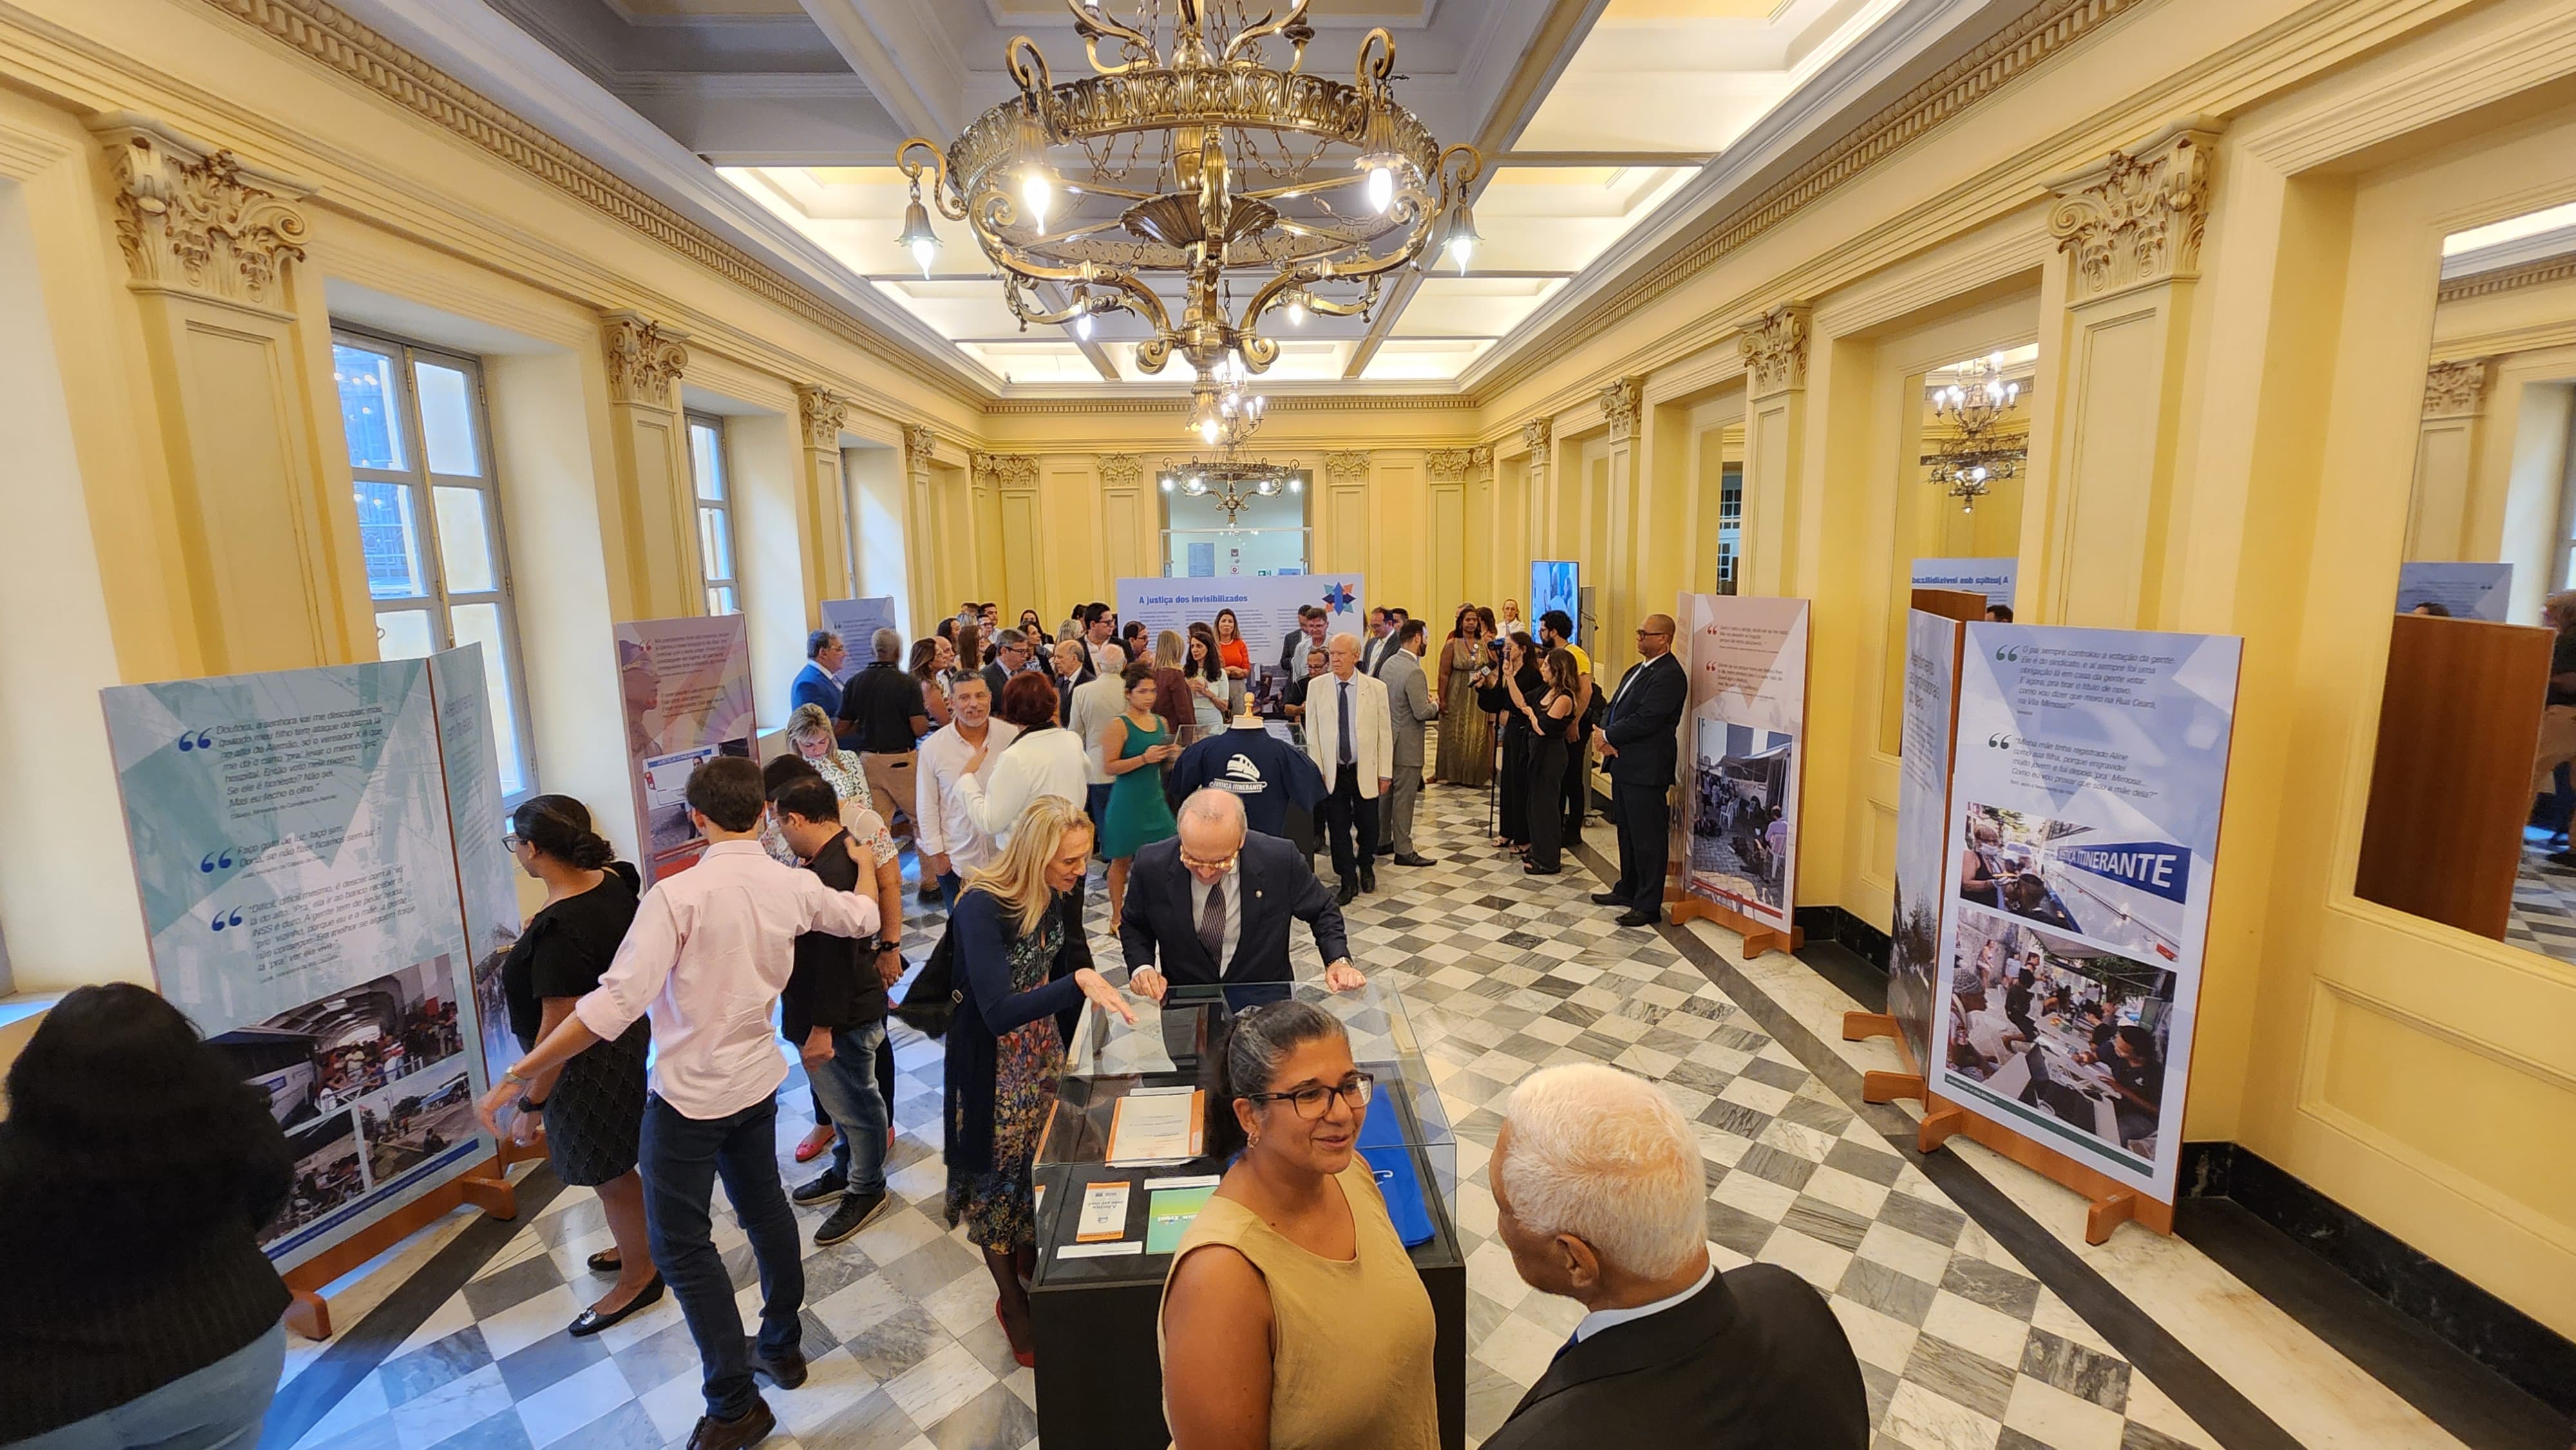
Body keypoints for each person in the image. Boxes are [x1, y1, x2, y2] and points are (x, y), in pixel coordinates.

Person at [478, 757, 878, 1450]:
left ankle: (733, 1403)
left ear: (696, 817)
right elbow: (862, 916)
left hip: (690, 1099)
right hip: (756, 1082)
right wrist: (866, 863)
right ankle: (781, 1345)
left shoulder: (677, 895)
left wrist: (519, 1074)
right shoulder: (792, 883)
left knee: (680, 1245)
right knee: (764, 1210)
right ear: (762, 813)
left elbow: (612, 1006)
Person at [1483, 1064, 1868, 1450]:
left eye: (1503, 1207)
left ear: (1575, 1261)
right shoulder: (1790, 1298)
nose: (1500, 1224)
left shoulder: (1541, 1440)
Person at [1, 984, 294, 1449]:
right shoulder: (238, 1123)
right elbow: (268, 1196)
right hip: (232, 1347)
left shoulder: (14, 1163)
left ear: (37, 1073)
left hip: (57, 1402)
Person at [1160, 1000, 1437, 1450]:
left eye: (1348, 1085)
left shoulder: (1353, 1174)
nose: (1342, 1113)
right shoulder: (1220, 1278)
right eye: (1308, 1095)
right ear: (1249, 1116)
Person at [947, 798, 1137, 1366]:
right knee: (997, 1187)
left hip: (1042, 1051)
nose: (1081, 871)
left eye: (1084, 858)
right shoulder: (981, 906)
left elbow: (1067, 960)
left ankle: (1032, 1261)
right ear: (1035, 856)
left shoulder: (1059, 889)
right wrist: (1076, 984)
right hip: (993, 1066)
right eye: (1070, 861)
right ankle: (1013, 1305)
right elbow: (998, 1011)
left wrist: (1090, 1032)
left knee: (1042, 1164)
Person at [495, 795, 659, 1335]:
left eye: (516, 843)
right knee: (618, 1161)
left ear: (534, 850)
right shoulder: (613, 881)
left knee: (608, 1173)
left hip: (582, 1065)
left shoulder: (560, 929)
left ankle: (640, 1276)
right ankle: (638, 1244)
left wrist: (531, 1101)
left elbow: (558, 1027)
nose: (517, 852)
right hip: (624, 1038)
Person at [768, 777, 904, 1247]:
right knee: (843, 1106)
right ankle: (846, 1169)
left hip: (840, 1015)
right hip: (829, 1010)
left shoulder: (833, 869)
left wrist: (821, 1028)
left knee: (859, 1107)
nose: (780, 833)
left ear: (796, 819)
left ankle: (867, 1189)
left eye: (780, 823)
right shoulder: (837, 855)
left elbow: (835, 961)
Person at [1121, 789, 1365, 1002]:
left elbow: (1322, 910)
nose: (1206, 872)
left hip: (1266, 1003)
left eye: (1220, 862)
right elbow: (1134, 924)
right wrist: (1142, 967)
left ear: (1241, 840)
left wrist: (1338, 960)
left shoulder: (1279, 859)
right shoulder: (1151, 864)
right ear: (1181, 838)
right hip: (1187, 1002)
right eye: (1193, 859)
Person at [1594, 614, 1689, 927]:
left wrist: (1609, 736)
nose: (1639, 638)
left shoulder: (1670, 675)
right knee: (1627, 830)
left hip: (1647, 767)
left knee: (1648, 837)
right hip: (1623, 762)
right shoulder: (1638, 670)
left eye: (1644, 633)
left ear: (1663, 639)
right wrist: (1604, 735)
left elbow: (1648, 718)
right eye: (1638, 632)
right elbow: (1613, 706)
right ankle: (1629, 888)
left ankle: (1648, 904)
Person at [1302, 634, 1394, 904]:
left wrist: (1385, 772)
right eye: (1332, 654)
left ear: (1356, 656)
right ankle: (1347, 879)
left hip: (1364, 768)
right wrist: (1317, 768)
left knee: (1369, 825)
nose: (1335, 659)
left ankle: (1366, 865)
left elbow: (1385, 733)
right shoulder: (1317, 687)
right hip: (1333, 771)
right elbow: (1312, 733)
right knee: (1337, 827)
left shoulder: (1376, 688)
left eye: (1341, 654)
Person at [916, 671, 1018, 910]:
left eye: (980, 695)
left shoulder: (1010, 737)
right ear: (951, 702)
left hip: (1006, 858)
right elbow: (927, 803)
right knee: (963, 927)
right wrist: (938, 857)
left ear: (990, 698)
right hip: (958, 861)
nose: (974, 704)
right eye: (964, 698)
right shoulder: (934, 748)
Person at [955, 671, 1088, 851]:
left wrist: (966, 779)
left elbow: (990, 822)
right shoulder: (1072, 740)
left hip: (1032, 854)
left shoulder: (1016, 757)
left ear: (1009, 708)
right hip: (1069, 845)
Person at [1101, 659, 1183, 923]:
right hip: (1127, 802)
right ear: (1129, 693)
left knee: (1169, 855)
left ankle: (1160, 910)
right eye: (1143, 691)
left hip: (1154, 799)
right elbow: (1110, 766)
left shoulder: (1161, 722)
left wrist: (1172, 756)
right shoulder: (1119, 725)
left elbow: (1165, 765)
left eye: (1153, 691)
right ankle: (1117, 915)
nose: (1149, 697)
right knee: (1121, 861)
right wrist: (1144, 759)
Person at [1169, 702, 1327, 837]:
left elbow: (1179, 789)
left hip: (1218, 841)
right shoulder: (1284, 752)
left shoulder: (1204, 749)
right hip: (1265, 845)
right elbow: (1313, 790)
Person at [833, 626, 927, 840]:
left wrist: (867, 721)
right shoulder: (907, 683)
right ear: (898, 652)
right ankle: (930, 863)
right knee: (921, 820)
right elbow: (919, 728)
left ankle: (880, 862)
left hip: (868, 762)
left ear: (873, 651)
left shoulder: (855, 682)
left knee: (877, 827)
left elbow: (842, 728)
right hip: (901, 762)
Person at [1515, 647, 1582, 875]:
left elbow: (1543, 728)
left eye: (1546, 666)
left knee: (1547, 806)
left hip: (1551, 755)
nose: (1542, 668)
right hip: (1538, 752)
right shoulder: (1547, 690)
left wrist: (1531, 715)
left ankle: (1549, 859)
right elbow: (1521, 701)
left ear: (1558, 670)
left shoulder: (1565, 698)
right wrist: (1508, 677)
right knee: (1535, 805)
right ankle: (1538, 850)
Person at [1378, 618, 1439, 867]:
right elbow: (1421, 711)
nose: (1427, 643)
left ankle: (1382, 840)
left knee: (1386, 795)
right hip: (1408, 745)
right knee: (1404, 799)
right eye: (1426, 638)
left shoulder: (1389, 664)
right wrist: (1435, 704)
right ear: (1417, 638)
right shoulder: (1415, 671)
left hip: (1388, 740)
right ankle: (1404, 849)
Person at [1539, 610, 1593, 836]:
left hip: (1573, 720)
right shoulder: (1554, 654)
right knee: (1561, 776)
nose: (1540, 633)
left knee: (1572, 776)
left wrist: (1574, 722)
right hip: (1560, 720)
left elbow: (1586, 690)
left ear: (1553, 631)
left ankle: (1573, 831)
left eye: (1543, 629)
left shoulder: (1575, 654)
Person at [1068, 641, 1129, 834]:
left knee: (1103, 826)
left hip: (1096, 768)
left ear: (1099, 665)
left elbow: (1076, 733)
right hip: (1129, 765)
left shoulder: (1081, 692)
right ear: (1124, 664)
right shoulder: (1132, 692)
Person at [1434, 605, 1497, 787]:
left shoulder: (1482, 643)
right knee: (1455, 732)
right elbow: (1444, 673)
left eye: (1474, 620)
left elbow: (1491, 664)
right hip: (1457, 692)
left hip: (1478, 693)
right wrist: (1442, 698)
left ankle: (1473, 775)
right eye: (1468, 620)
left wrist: (1482, 675)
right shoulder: (1452, 644)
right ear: (1461, 622)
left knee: (1475, 733)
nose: (1471, 623)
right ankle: (1452, 774)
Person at [788, 628, 847, 742]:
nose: (845, 654)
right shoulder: (807, 684)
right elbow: (813, 728)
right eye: (839, 649)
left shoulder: (828, 677)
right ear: (823, 653)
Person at [1183, 623, 1231, 738]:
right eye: (1192, 646)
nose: (1195, 650)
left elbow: (1224, 706)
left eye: (1199, 646)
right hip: (1191, 721)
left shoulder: (1220, 673)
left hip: (1213, 721)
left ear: (1208, 649)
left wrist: (1207, 693)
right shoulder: (1185, 673)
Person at [1212, 607, 1253, 712]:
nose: (1227, 624)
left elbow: (1246, 671)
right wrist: (1233, 670)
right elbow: (1212, 670)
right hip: (1216, 684)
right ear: (1218, 624)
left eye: (1230, 622)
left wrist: (1227, 671)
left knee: (1238, 689)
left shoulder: (1240, 644)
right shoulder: (1212, 645)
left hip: (1237, 684)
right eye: (1224, 621)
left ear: (1234, 626)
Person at [908, 636, 952, 732]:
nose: (945, 656)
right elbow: (945, 722)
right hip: (934, 737)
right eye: (940, 655)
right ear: (929, 663)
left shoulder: (928, 683)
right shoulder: (929, 687)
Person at [1050, 637, 1095, 726]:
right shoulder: (1059, 683)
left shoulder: (1090, 683)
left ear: (1074, 658)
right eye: (1055, 657)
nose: (1055, 662)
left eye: (1060, 657)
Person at [982, 626, 1034, 698]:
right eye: (1021, 651)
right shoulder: (986, 677)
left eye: (1026, 651)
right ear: (1004, 651)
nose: (1026, 655)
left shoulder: (1025, 672)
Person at [1277, 603, 1327, 674]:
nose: (1306, 628)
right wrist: (1296, 660)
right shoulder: (1290, 638)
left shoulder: (1326, 638)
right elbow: (1284, 663)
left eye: (1308, 625)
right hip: (1297, 678)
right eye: (1302, 625)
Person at [1079, 602, 1119, 674]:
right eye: (1108, 622)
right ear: (1093, 624)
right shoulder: (1077, 647)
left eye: (1113, 621)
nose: (1112, 625)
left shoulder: (1122, 645)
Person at [1358, 606, 1399, 675]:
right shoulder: (1371, 643)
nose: (1374, 630)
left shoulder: (1400, 644)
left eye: (1377, 626)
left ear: (1389, 623)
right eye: (1372, 626)